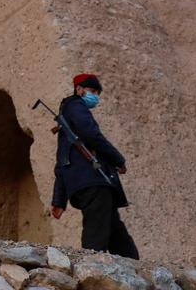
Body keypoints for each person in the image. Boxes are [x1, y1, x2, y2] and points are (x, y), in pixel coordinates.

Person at [49, 72, 139, 258]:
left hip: (86, 184)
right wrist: (118, 159)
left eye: (97, 93)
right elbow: (92, 136)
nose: (95, 97)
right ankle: (90, 267)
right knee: (96, 233)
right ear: (79, 89)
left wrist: (59, 200)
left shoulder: (66, 119)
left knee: (115, 231)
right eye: (92, 91)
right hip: (93, 182)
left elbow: (62, 163)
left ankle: (134, 268)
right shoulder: (76, 106)